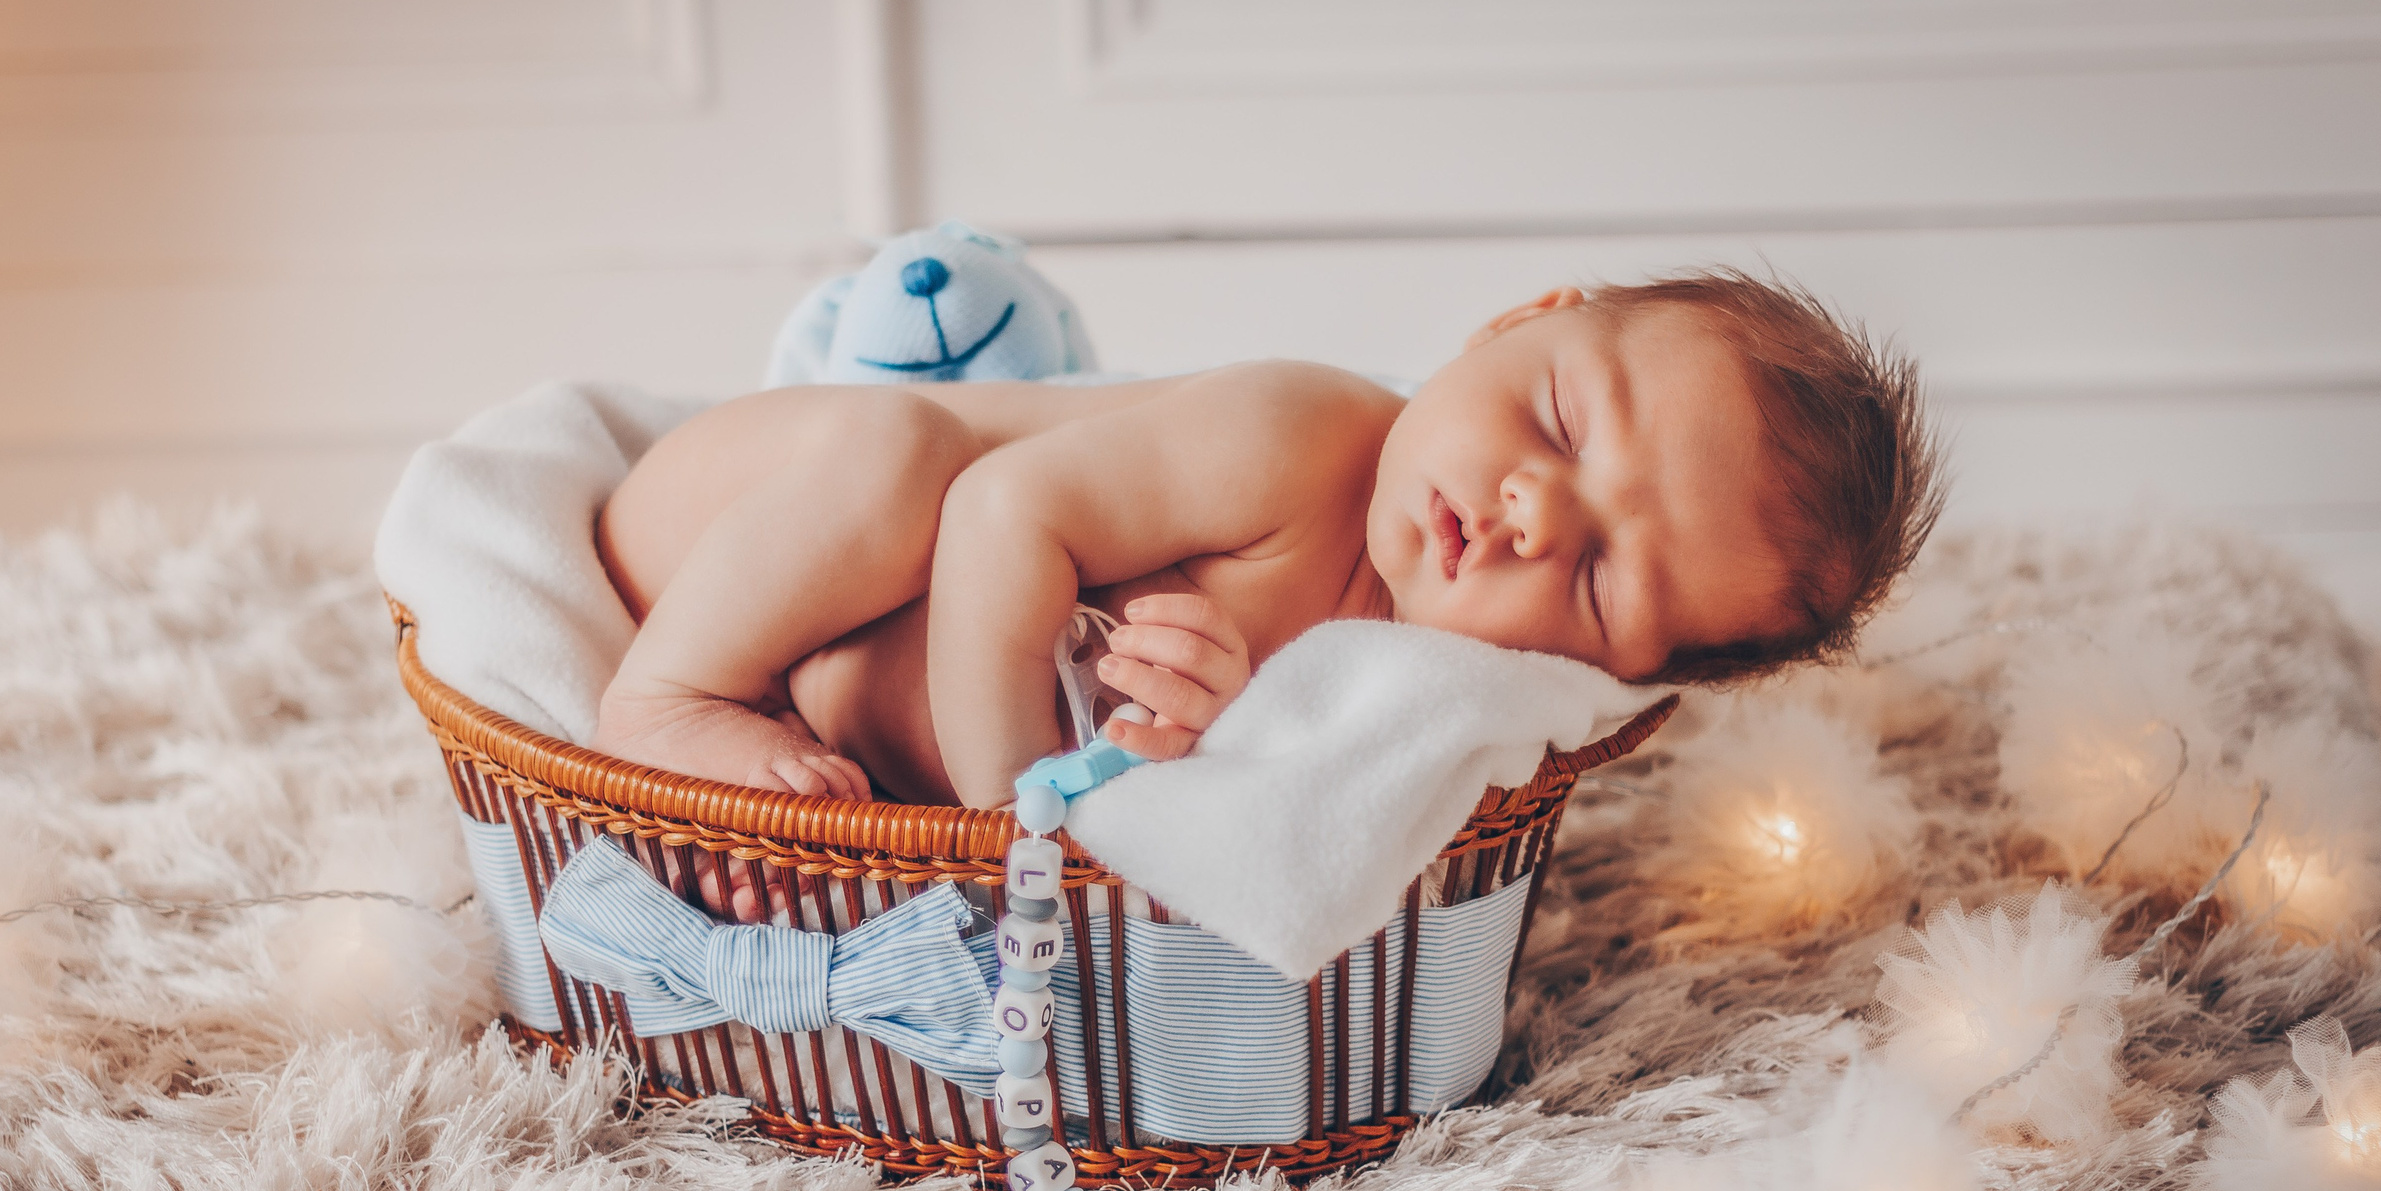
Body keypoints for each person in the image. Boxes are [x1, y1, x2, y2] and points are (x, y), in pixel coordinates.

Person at [592, 270, 1941, 819]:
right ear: (1515, 323)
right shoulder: (1303, 439)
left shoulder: (1416, 706)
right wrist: (1031, 818)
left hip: (844, 654)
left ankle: (779, 714)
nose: (1532, 511)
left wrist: (1179, 737)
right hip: (740, 525)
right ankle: (665, 698)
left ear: (1619, 677)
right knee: (905, 463)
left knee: (873, 667)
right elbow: (1003, 515)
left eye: (1595, 578)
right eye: (1560, 423)